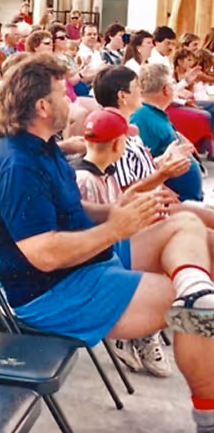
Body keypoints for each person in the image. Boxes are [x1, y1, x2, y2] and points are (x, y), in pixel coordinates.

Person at [0, 53, 214, 433]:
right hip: (55, 293)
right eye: (62, 93)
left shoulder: (41, 146)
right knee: (193, 309)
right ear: (41, 106)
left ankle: (198, 291)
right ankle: (208, 416)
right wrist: (117, 229)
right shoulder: (17, 164)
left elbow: (71, 208)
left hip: (86, 262)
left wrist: (116, 209)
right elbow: (45, 255)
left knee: (186, 225)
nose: (71, 100)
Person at [73, 107, 173, 378]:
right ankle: (131, 334)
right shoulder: (85, 178)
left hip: (110, 251)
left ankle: (139, 334)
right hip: (98, 263)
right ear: (117, 143)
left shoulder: (105, 172)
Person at [131, 64, 207, 202]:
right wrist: (165, 192)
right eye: (172, 84)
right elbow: (141, 166)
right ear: (166, 89)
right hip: (174, 202)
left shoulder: (152, 113)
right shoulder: (142, 118)